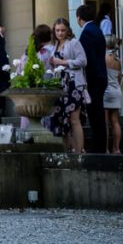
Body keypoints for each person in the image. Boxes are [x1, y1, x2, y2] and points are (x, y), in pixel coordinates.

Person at [42, 18, 88, 153]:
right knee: (61, 120)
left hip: (73, 84)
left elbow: (83, 61)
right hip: (58, 84)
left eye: (63, 30)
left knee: (74, 119)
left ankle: (79, 151)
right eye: (57, 30)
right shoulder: (53, 46)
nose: (60, 33)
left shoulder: (74, 43)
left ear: (67, 30)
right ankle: (68, 151)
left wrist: (63, 62)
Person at [78, 4, 109, 152]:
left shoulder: (87, 33)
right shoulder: (97, 30)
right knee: (98, 114)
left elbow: (86, 58)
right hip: (100, 77)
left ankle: (99, 148)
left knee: (95, 115)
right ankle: (101, 147)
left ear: (79, 18)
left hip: (93, 79)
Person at [104, 36, 123, 154]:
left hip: (105, 91)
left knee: (105, 122)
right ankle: (116, 148)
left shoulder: (103, 58)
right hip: (116, 90)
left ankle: (105, 149)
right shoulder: (118, 60)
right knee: (115, 121)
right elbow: (120, 78)